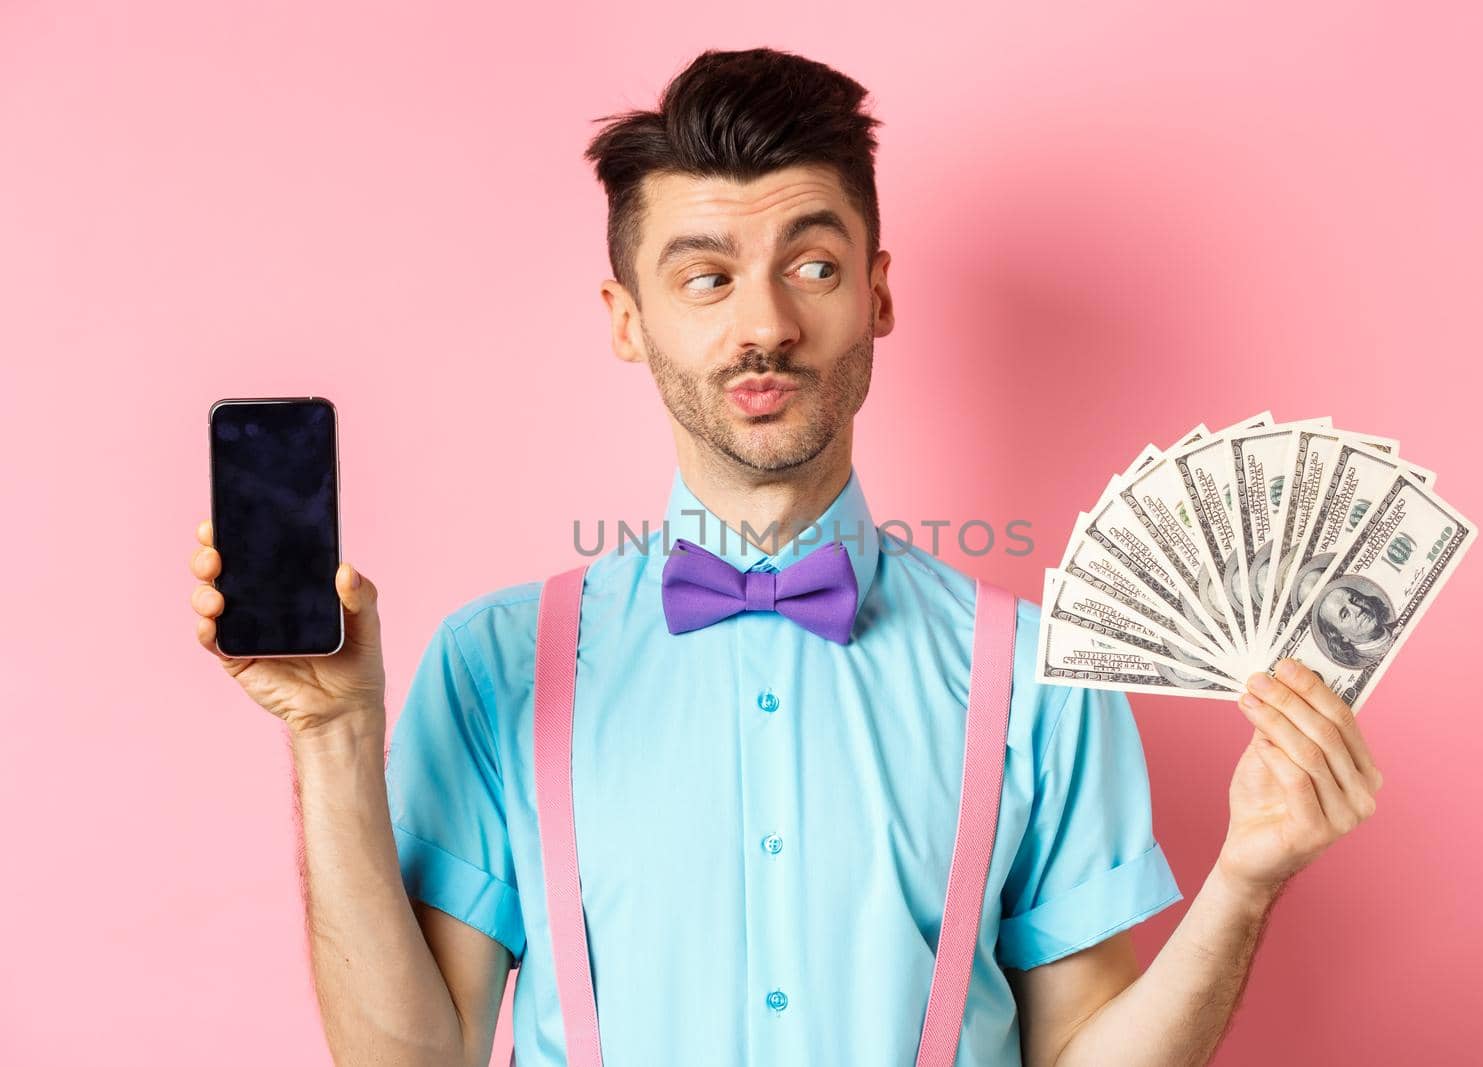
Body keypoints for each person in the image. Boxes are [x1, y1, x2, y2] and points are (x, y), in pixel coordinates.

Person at [188, 46, 1385, 1067]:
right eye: (704, 276)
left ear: (875, 294)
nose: (763, 321)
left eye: (810, 266)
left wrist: (1245, 877)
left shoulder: (1038, 670)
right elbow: (415, 1053)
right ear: (626, 318)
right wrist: (333, 739)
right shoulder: (496, 659)